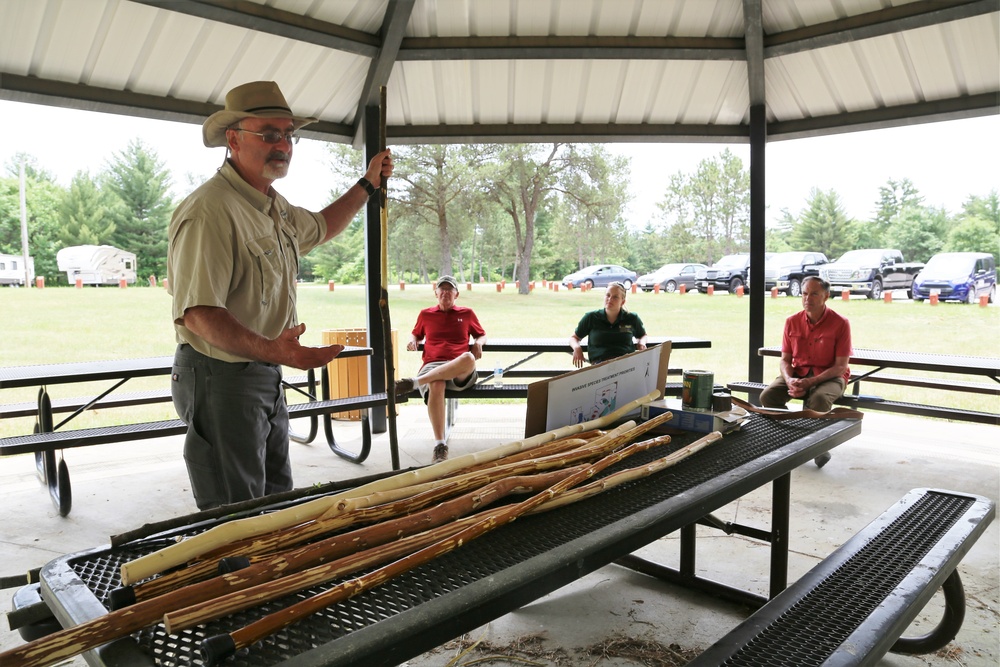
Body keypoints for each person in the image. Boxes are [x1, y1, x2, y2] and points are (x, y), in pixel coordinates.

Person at [167, 80, 393, 510]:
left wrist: (367, 184)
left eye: (289, 135)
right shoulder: (210, 211)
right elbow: (199, 314)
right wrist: (275, 350)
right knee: (236, 517)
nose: (283, 145)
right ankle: (240, 578)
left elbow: (324, 225)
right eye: (269, 134)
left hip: (263, 373)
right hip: (221, 379)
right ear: (233, 139)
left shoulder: (273, 205)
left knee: (274, 503)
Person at [760, 275, 852, 468]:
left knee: (818, 399)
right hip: (798, 373)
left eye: (814, 294)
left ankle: (818, 447)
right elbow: (785, 360)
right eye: (804, 294)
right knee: (767, 397)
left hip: (831, 376)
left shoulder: (841, 323)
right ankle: (793, 437)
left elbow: (840, 367)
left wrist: (810, 382)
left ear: (826, 296)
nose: (807, 299)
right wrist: (790, 379)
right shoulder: (792, 321)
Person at [395, 276, 487, 463]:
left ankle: (414, 383)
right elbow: (416, 333)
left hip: (458, 368)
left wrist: (478, 343)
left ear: (457, 294)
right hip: (432, 364)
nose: (445, 293)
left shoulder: (467, 313)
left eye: (449, 290)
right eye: (442, 289)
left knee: (469, 357)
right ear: (436, 293)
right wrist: (413, 340)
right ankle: (440, 445)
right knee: (436, 384)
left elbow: (482, 334)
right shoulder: (425, 314)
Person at [569, 281, 648, 367]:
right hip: (599, 367)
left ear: (622, 302)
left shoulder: (631, 318)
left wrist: (642, 343)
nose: (610, 299)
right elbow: (574, 338)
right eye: (608, 295)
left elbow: (642, 335)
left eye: (615, 297)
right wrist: (577, 348)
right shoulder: (591, 317)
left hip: (626, 366)